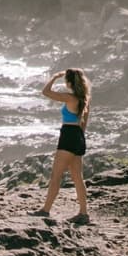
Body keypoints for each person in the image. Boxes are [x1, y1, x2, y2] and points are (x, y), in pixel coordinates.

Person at [37, 68, 91, 224]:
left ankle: (45, 210)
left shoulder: (69, 98)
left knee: (56, 176)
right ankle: (83, 213)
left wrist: (54, 77)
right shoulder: (84, 99)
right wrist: (78, 138)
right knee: (77, 177)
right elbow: (84, 124)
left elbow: (46, 92)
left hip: (68, 136)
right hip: (78, 136)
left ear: (69, 82)